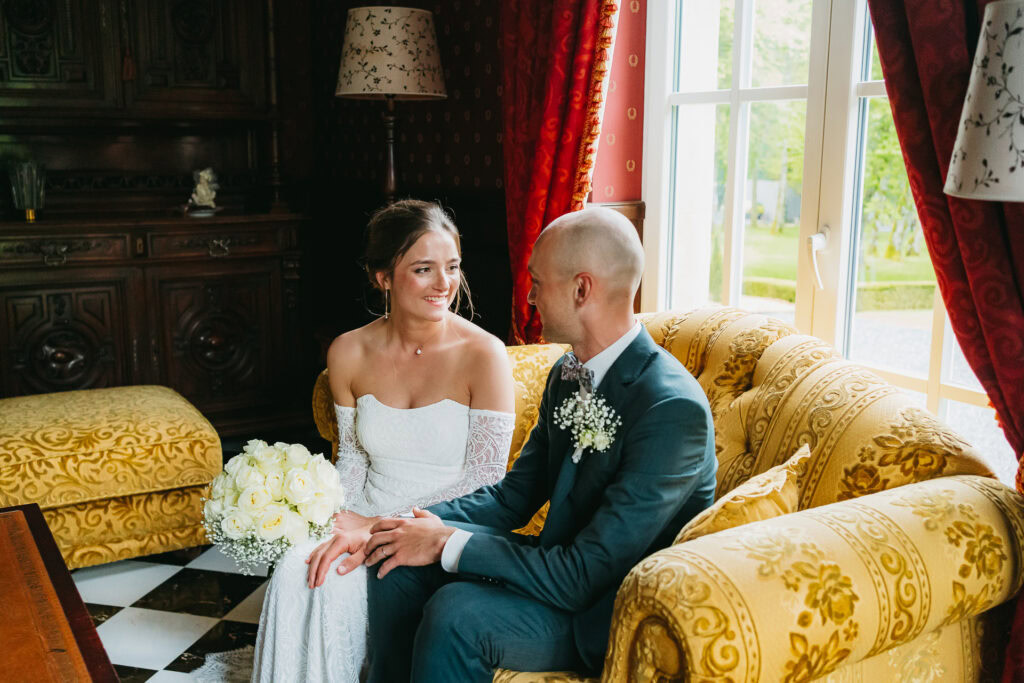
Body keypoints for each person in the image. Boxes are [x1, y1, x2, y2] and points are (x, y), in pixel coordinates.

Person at [360, 206, 718, 682]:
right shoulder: (568, 374)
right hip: (556, 565)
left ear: (581, 289)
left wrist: (448, 542)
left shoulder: (671, 410)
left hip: (603, 606)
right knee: (396, 558)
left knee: (457, 613)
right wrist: (407, 526)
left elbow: (585, 574)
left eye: (537, 282)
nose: (528, 296)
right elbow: (512, 497)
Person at [194, 200, 516, 682]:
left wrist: (378, 527)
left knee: (335, 584)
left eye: (451, 268)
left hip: (441, 523)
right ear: (383, 277)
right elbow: (352, 460)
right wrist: (321, 517)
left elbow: (486, 479)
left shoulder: (484, 355)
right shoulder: (348, 351)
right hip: (363, 506)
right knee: (297, 568)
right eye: (423, 269)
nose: (444, 284)